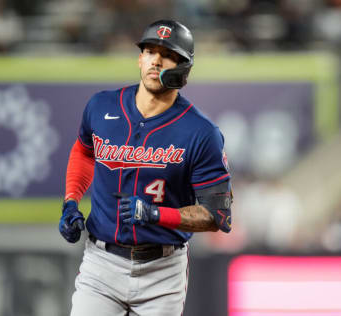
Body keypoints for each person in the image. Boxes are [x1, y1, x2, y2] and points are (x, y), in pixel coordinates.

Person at [58, 19, 233, 316]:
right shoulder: (101, 107)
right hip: (101, 263)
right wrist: (71, 201)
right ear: (140, 58)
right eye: (150, 51)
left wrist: (156, 215)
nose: (156, 60)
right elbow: (85, 151)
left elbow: (217, 215)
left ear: (183, 69)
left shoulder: (201, 132)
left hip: (162, 271)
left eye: (167, 54)